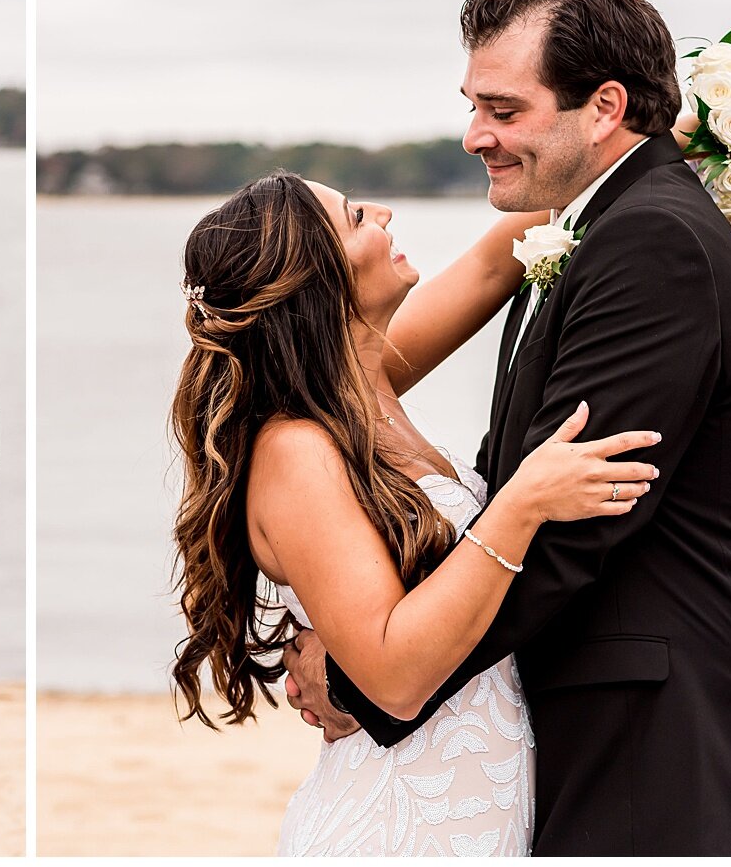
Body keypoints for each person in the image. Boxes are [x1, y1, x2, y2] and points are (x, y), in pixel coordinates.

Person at [288, 0, 731, 855]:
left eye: (504, 111)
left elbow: (569, 528)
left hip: (653, 742)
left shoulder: (651, 242)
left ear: (606, 107)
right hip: (591, 727)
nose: (476, 134)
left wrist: (370, 676)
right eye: (472, 104)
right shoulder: (589, 226)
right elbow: (518, 483)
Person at [171, 169, 662, 855]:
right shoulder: (297, 449)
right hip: (398, 826)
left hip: (474, 811)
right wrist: (520, 503)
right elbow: (395, 678)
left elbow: (499, 260)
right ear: (318, 281)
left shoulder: (365, 383)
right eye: (355, 218)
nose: (385, 213)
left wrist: (672, 143)